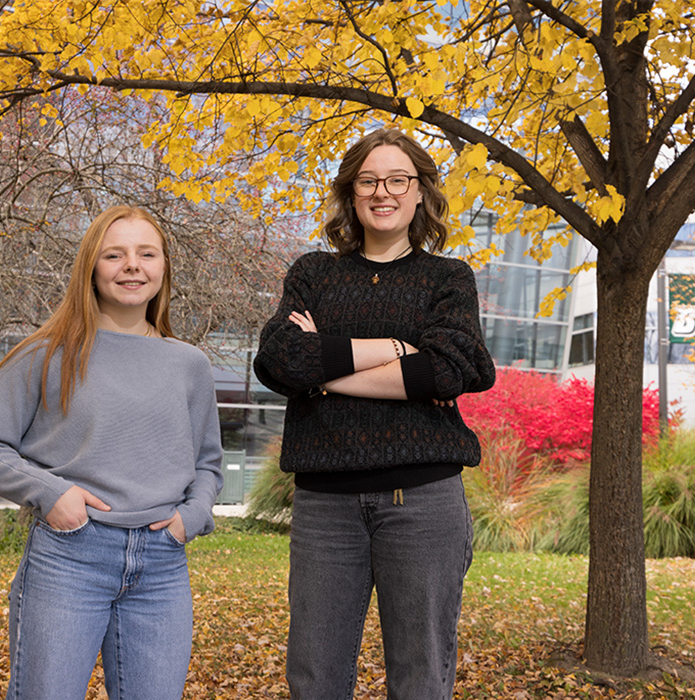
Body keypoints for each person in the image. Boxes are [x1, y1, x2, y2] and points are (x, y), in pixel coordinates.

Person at [253, 128, 495, 699]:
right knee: (314, 676)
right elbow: (279, 359)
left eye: (397, 180)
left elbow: (446, 372)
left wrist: (322, 372)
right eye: (368, 180)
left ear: (419, 194)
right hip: (324, 505)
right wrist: (394, 348)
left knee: (420, 674)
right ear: (350, 192)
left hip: (423, 500)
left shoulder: (448, 278)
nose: (382, 192)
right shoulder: (313, 272)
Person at [0, 205, 223, 700]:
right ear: (91, 268)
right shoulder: (44, 354)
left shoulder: (189, 364)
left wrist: (195, 513)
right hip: (70, 558)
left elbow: (207, 462)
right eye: (114, 255)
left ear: (163, 267)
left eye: (147, 254)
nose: (132, 266)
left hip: (163, 563)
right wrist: (51, 493)